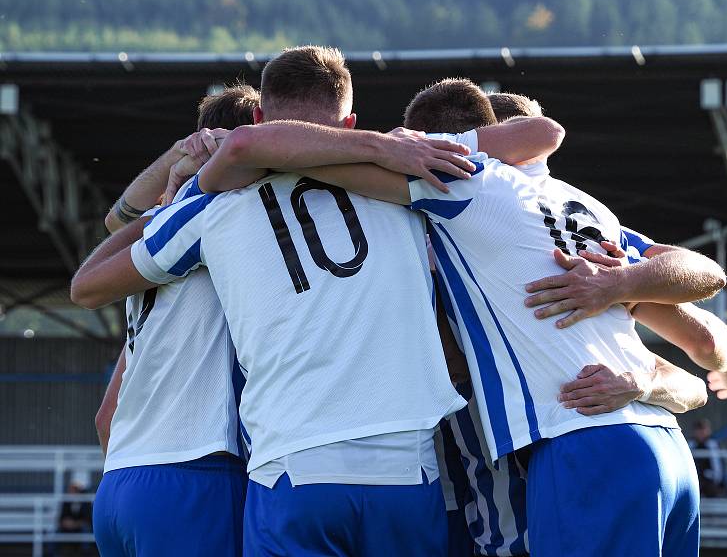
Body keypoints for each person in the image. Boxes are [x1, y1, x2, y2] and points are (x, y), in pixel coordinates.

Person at [211, 77, 723, 556]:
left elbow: (263, 152)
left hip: (572, 452)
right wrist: (676, 335)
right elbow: (702, 335)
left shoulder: (466, 190)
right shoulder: (583, 210)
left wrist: (383, 146)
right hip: (659, 446)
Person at [72, 46, 492, 557]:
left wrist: (180, 178)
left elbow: (91, 282)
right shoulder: (406, 186)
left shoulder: (211, 206)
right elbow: (537, 136)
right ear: (351, 121)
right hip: (405, 467)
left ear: (257, 120)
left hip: (283, 467)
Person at [89, 84, 259, 557]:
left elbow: (106, 418)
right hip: (195, 473)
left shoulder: (154, 238)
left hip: (120, 485)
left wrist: (181, 155)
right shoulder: (226, 224)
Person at [688, 418, 726, 497]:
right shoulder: (690, 444)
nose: (701, 433)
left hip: (710, 481)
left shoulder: (713, 444)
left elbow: (718, 468)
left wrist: (718, 482)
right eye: (698, 430)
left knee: (711, 489)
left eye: (703, 430)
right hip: (694, 480)